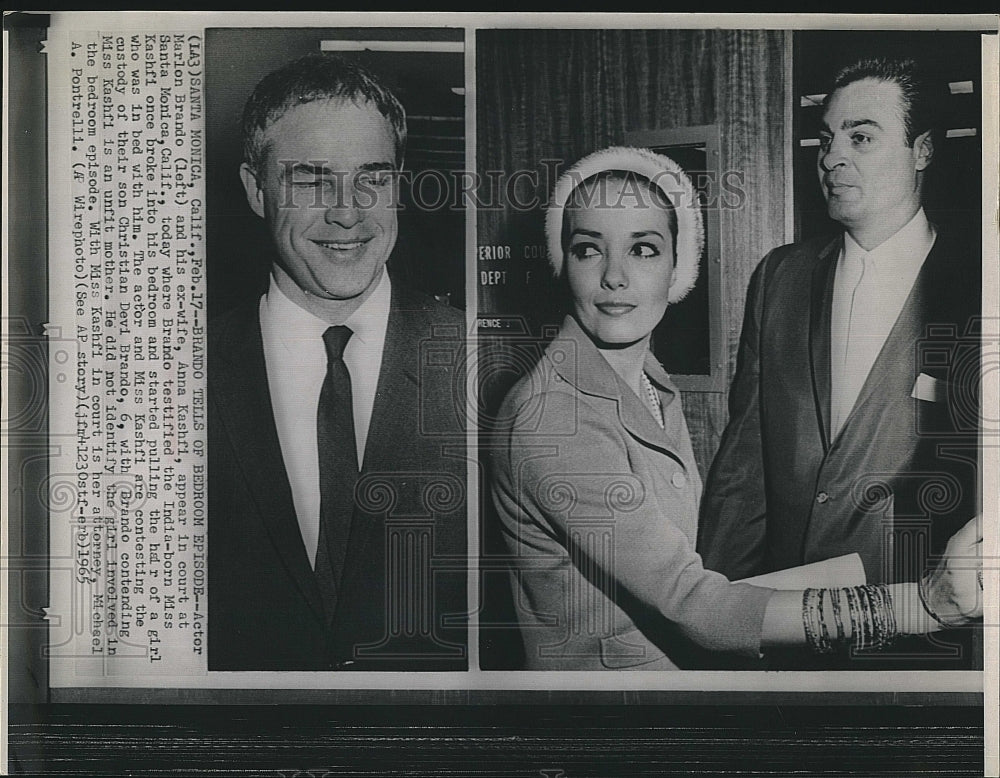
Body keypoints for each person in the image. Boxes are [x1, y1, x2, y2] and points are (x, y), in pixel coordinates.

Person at [489, 145, 982, 670]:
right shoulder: (551, 418)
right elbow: (698, 608)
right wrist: (924, 604)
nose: (614, 276)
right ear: (562, 264)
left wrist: (862, 581)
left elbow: (692, 586)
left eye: (643, 249)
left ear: (678, 269)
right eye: (589, 249)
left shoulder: (648, 383)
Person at [697, 58, 981, 667]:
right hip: (788, 624)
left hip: (925, 633)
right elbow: (741, 472)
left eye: (861, 136)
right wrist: (717, 618)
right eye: (827, 139)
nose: (831, 158)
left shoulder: (980, 284)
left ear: (922, 150)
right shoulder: (780, 277)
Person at [208, 54, 467, 671]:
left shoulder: (486, 368)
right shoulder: (168, 376)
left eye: (372, 179)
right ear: (255, 189)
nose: (348, 211)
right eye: (312, 180)